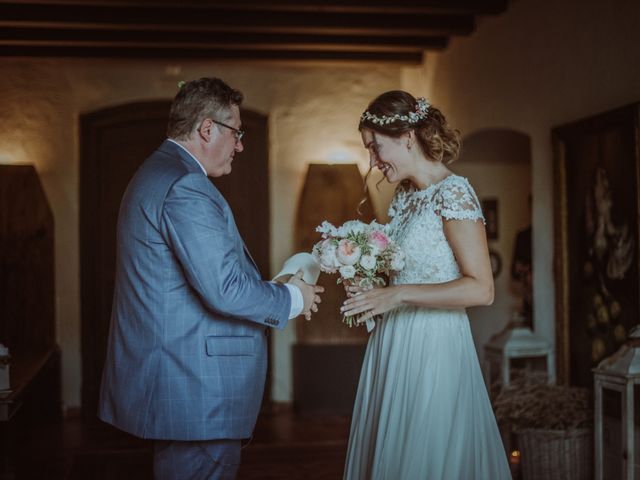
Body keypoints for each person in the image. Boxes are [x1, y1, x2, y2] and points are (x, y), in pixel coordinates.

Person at [98, 77, 323, 479]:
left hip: (178, 376)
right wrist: (293, 298)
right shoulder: (186, 184)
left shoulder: (156, 172)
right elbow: (225, 290)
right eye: (236, 133)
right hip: (196, 385)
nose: (239, 145)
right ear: (207, 129)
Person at [341, 91, 511, 479]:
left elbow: (481, 289)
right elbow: (405, 270)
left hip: (435, 344)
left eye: (375, 147)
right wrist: (370, 285)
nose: (372, 161)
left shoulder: (453, 193)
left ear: (407, 136)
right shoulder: (405, 197)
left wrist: (396, 294)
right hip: (394, 340)